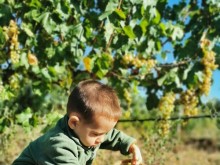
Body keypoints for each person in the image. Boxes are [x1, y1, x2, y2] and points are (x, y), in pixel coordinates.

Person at [12, 79, 142, 165]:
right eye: (96, 134)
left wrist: (132, 147)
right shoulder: (59, 146)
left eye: (104, 133)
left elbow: (112, 135)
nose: (101, 139)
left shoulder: (85, 129)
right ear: (74, 123)